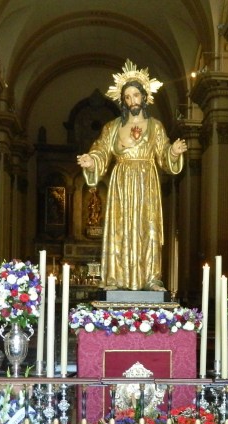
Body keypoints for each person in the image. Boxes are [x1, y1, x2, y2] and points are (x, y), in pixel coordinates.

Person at [77, 59, 187, 291]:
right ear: (123, 101)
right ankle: (115, 278)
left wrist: (173, 152)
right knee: (120, 228)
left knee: (148, 228)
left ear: (144, 97)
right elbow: (101, 150)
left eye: (136, 95)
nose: (132, 101)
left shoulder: (155, 126)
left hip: (147, 182)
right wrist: (91, 161)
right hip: (121, 182)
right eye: (127, 97)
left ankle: (151, 278)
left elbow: (164, 154)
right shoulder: (112, 127)